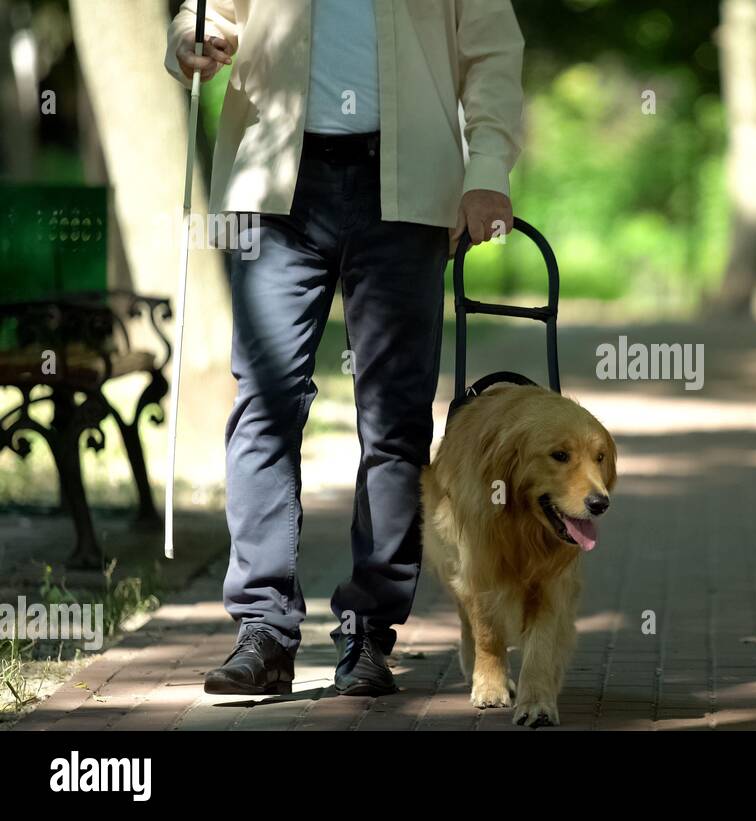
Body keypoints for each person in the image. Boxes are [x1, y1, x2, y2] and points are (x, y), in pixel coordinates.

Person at [163, 0, 524, 696]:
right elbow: (206, 16)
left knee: (395, 420)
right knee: (266, 403)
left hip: (407, 185)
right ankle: (263, 630)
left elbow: (492, 53)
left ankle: (370, 631)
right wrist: (193, 40)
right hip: (274, 183)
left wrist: (487, 166)